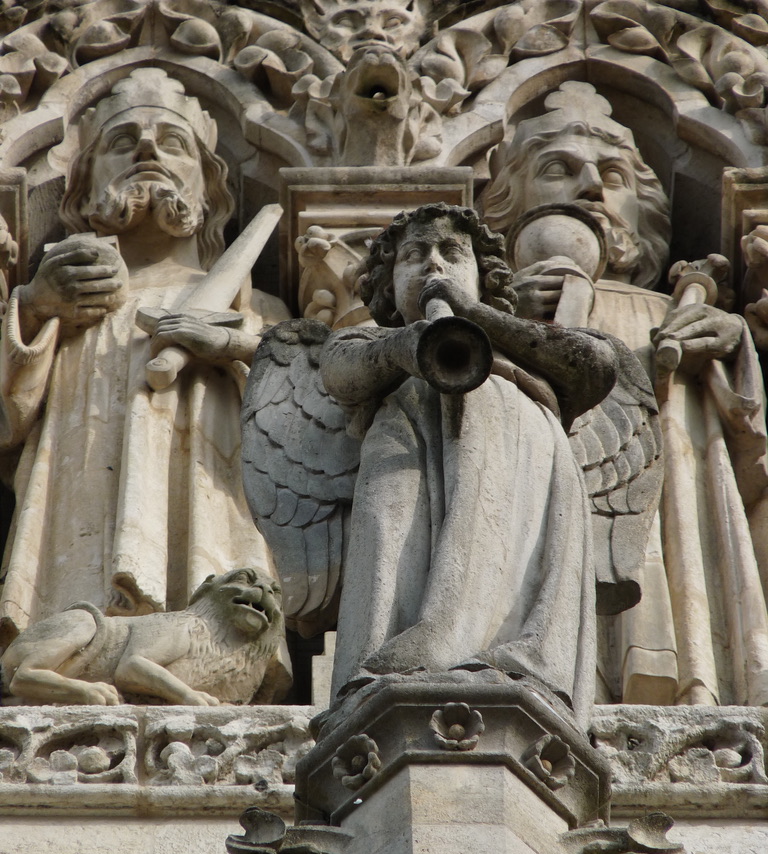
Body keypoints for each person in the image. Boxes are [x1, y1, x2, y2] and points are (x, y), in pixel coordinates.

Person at [481, 81, 768, 707]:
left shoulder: (659, 307)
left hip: (661, 482)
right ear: (507, 205)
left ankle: (689, 687)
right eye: (558, 170)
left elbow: (743, 432)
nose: (590, 189)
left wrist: (728, 347)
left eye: (611, 175)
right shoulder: (478, 317)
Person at [0, 67, 288, 644]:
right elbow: (7, 420)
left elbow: (303, 416)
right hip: (76, 506)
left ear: (208, 187)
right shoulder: (55, 294)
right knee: (70, 625)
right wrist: (33, 307)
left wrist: (230, 344)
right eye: (122, 141)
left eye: (174, 142)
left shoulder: (257, 305)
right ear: (81, 188)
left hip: (210, 500)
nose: (148, 149)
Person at [318, 203, 623, 725]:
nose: (433, 265)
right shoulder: (367, 338)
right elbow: (341, 374)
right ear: (387, 284)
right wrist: (405, 344)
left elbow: (596, 365)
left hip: (515, 444)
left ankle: (514, 666)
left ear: (484, 275)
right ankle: (391, 669)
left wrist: (474, 314)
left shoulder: (516, 337)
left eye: (451, 253)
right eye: (414, 255)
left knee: (499, 543)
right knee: (391, 544)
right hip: (404, 446)